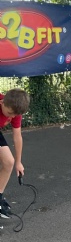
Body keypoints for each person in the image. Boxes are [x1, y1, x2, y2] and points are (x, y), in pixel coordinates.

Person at [0, 88, 30, 219]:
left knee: (9, 162)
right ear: (2, 103)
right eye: (9, 113)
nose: (11, 117)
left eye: (14, 115)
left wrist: (18, 162)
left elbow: (17, 136)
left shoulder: (14, 109)